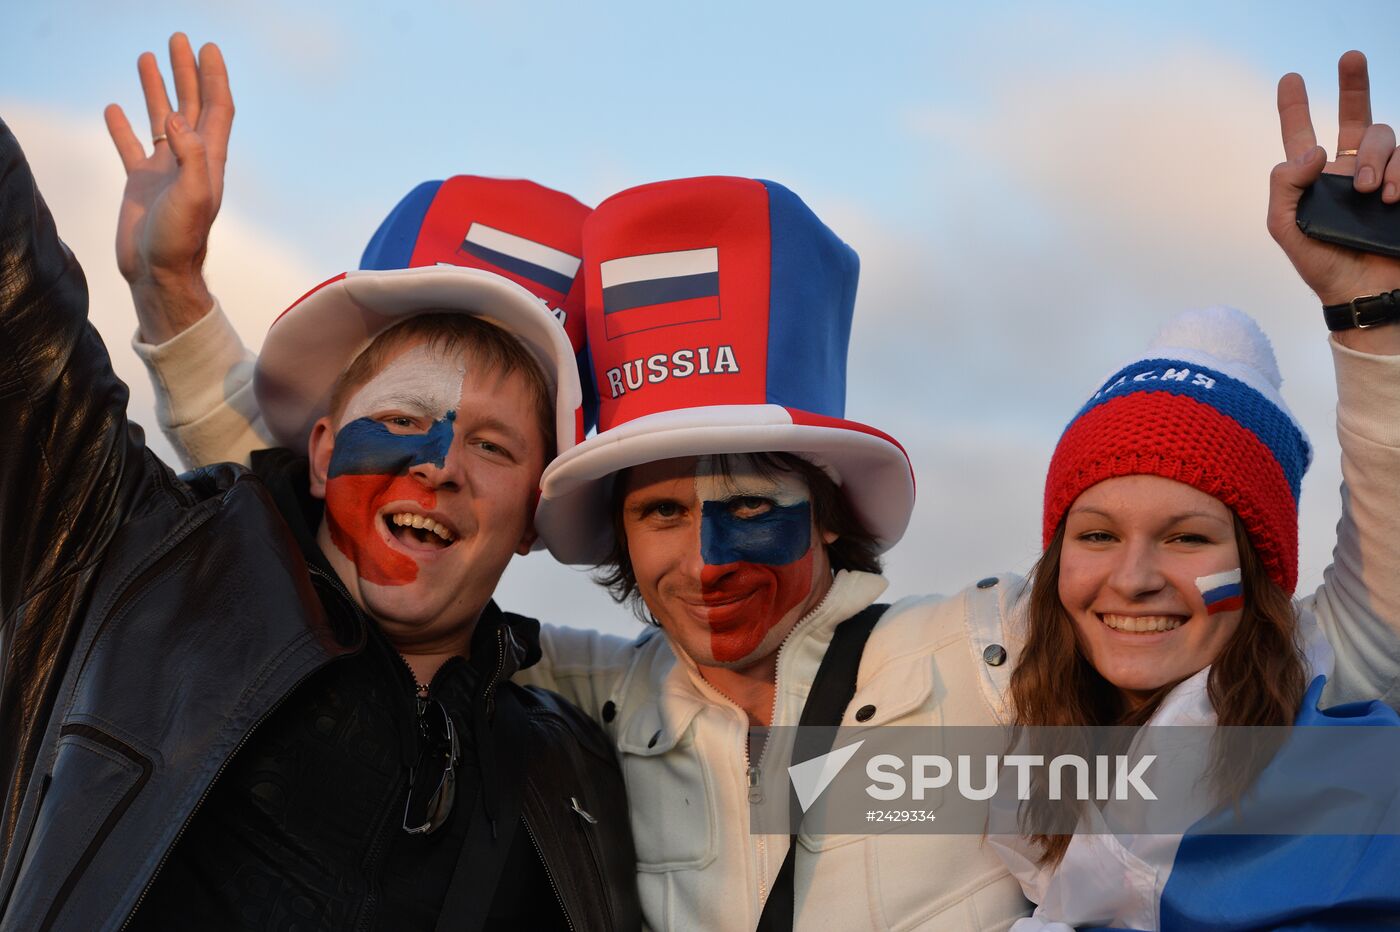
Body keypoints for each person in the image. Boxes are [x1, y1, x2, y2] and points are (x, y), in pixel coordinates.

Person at [121, 39, 1400, 931]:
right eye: (661, 511)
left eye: (752, 504)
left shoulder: (977, 669)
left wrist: (1370, 323)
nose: (707, 557)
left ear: (829, 509)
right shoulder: (588, 710)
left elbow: (1333, 646)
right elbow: (349, 528)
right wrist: (177, 303)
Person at [0, 38, 640, 932]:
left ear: (536, 513)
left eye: (494, 447)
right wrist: (166, 280)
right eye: (406, 419)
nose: (438, 464)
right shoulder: (135, 568)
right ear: (326, 450)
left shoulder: (578, 772)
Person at [981, 51, 1400, 930]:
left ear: (1258, 567)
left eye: (1185, 537)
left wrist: (1374, 313)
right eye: (1095, 534)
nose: (1132, 577)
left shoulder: (1325, 681)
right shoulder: (1005, 716)